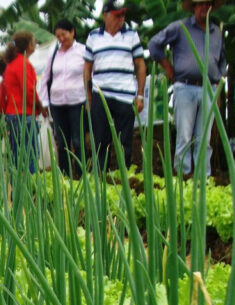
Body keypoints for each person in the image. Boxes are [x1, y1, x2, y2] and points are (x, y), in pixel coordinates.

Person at [148, 0, 225, 177]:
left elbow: (222, 59)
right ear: (194, 7)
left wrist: (221, 78)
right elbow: (154, 44)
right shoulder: (180, 27)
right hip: (185, 87)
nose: (205, 7)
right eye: (201, 4)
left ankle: (202, 180)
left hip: (208, 89)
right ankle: (183, 178)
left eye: (208, 4)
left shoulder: (216, 32)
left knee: (204, 139)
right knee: (184, 136)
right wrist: (168, 67)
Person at [84, 0, 146, 172]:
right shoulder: (94, 36)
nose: (121, 19)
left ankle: (123, 176)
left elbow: (141, 65)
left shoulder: (131, 35)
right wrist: (88, 95)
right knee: (100, 140)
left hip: (125, 95)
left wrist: (140, 96)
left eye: (123, 15)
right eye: (117, 15)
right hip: (100, 94)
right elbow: (87, 68)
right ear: (106, 15)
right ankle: (101, 177)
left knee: (124, 140)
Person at [39, 19, 87, 176]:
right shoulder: (54, 54)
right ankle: (65, 176)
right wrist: (44, 102)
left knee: (78, 141)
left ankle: (81, 175)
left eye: (64, 34)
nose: (61, 39)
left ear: (72, 32)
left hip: (77, 101)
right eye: (58, 36)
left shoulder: (82, 51)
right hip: (57, 103)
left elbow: (89, 75)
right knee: (62, 142)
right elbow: (46, 77)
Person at [2, 31, 41, 174]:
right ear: (29, 45)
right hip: (23, 114)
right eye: (34, 41)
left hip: (13, 114)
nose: (35, 44)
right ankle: (30, 191)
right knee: (30, 155)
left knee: (17, 154)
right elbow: (29, 90)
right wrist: (39, 107)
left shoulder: (12, 63)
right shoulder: (22, 63)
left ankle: (17, 191)